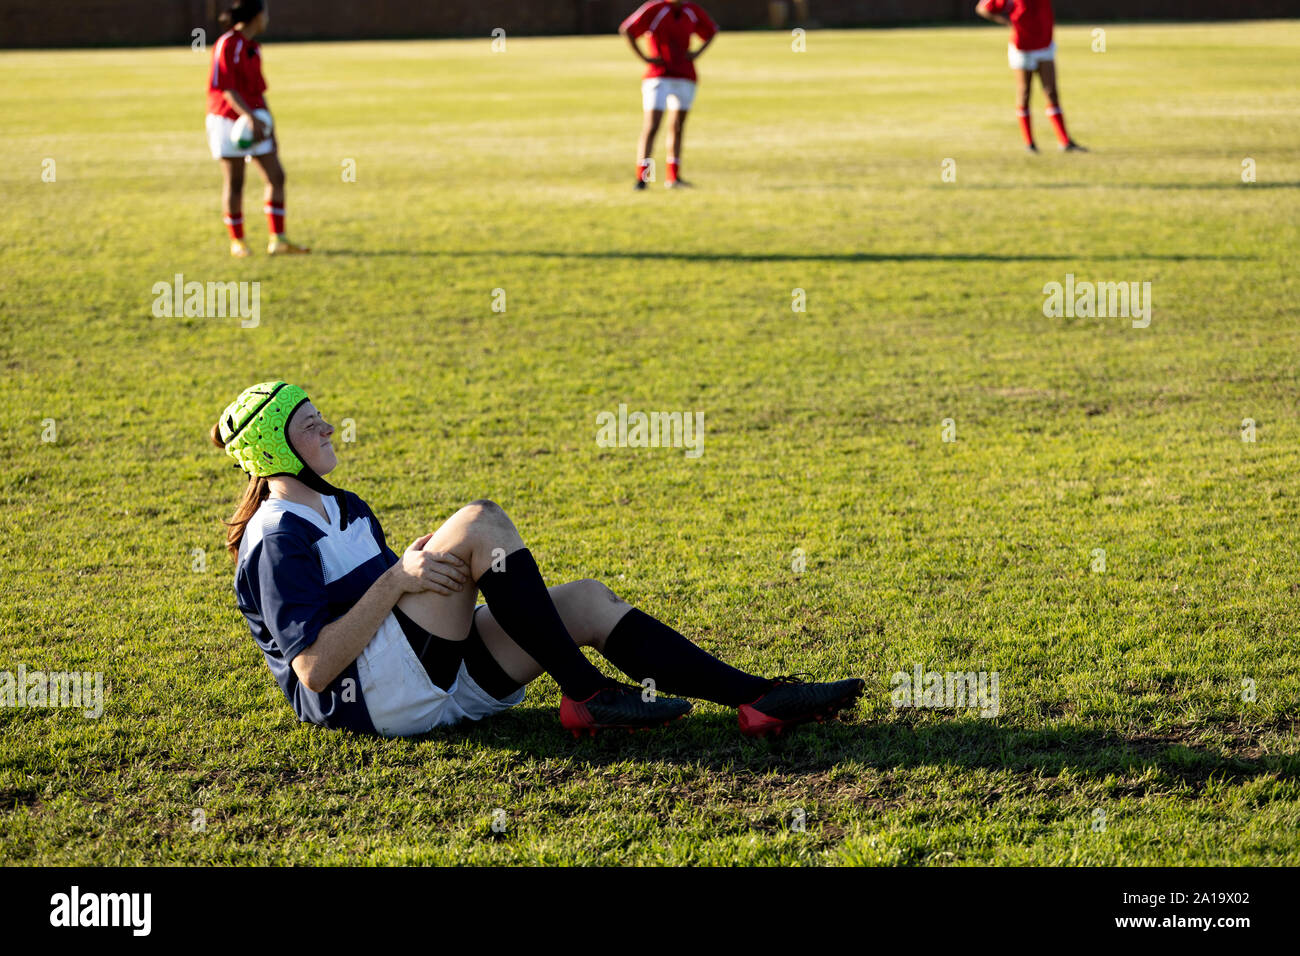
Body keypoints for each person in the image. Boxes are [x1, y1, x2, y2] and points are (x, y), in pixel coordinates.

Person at [210, 381, 865, 740]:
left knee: (583, 599)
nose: (327, 428)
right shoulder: (275, 539)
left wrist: (404, 577)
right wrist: (396, 578)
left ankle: (758, 699)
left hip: (427, 684)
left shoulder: (344, 505)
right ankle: (585, 694)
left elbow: (403, 602)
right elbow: (315, 671)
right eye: (309, 425)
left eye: (322, 416)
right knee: (478, 521)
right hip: (364, 703)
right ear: (275, 452)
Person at [206, 0, 310, 256]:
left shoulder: (254, 47)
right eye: (265, 14)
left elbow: (258, 92)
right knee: (236, 181)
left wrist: (268, 125)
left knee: (276, 176)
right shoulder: (226, 44)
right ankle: (238, 242)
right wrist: (249, 116)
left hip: (256, 121)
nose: (267, 20)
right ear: (256, 16)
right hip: (227, 121)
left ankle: (279, 240)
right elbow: (226, 87)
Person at [619, 1, 718, 189]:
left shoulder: (691, 10)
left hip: (685, 75)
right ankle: (644, 177)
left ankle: (673, 178)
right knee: (652, 126)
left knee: (678, 126)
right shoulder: (655, 8)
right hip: (659, 75)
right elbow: (627, 29)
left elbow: (712, 30)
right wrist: (645, 57)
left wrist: (697, 53)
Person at [975, 0, 1085, 153]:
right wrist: (1007, 22)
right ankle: (1029, 143)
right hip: (1023, 46)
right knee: (1025, 92)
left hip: (1044, 43)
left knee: (1051, 92)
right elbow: (983, 8)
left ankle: (1065, 141)